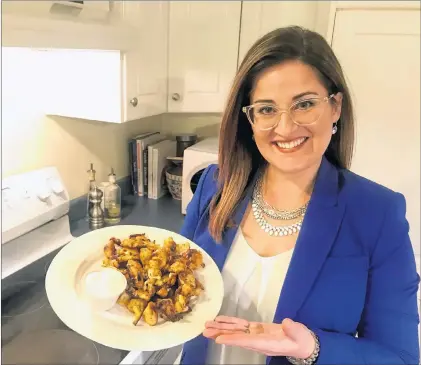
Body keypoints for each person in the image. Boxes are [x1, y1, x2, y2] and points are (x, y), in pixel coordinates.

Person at [179, 26, 420, 365]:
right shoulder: (215, 185)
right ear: (249, 118)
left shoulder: (378, 214)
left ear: (335, 107)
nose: (286, 128)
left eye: (304, 104)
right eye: (266, 109)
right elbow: (176, 282)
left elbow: (401, 357)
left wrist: (312, 348)